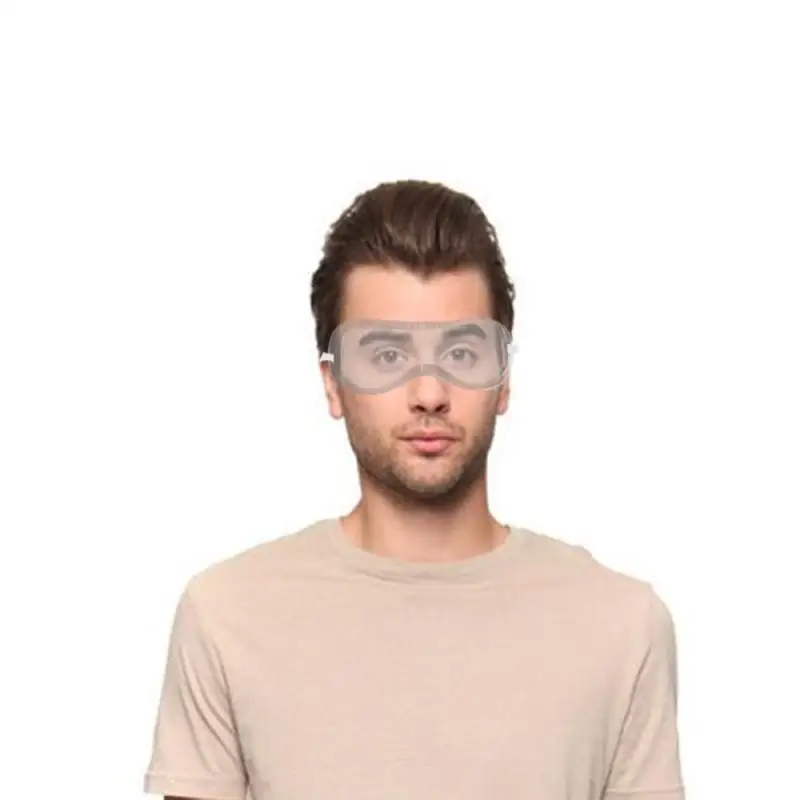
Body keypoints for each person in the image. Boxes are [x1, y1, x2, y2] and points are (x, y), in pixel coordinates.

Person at [142, 180, 685, 800]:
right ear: (332, 385)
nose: (429, 393)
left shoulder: (620, 625)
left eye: (462, 352)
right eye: (386, 356)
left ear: (504, 380)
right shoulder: (227, 615)